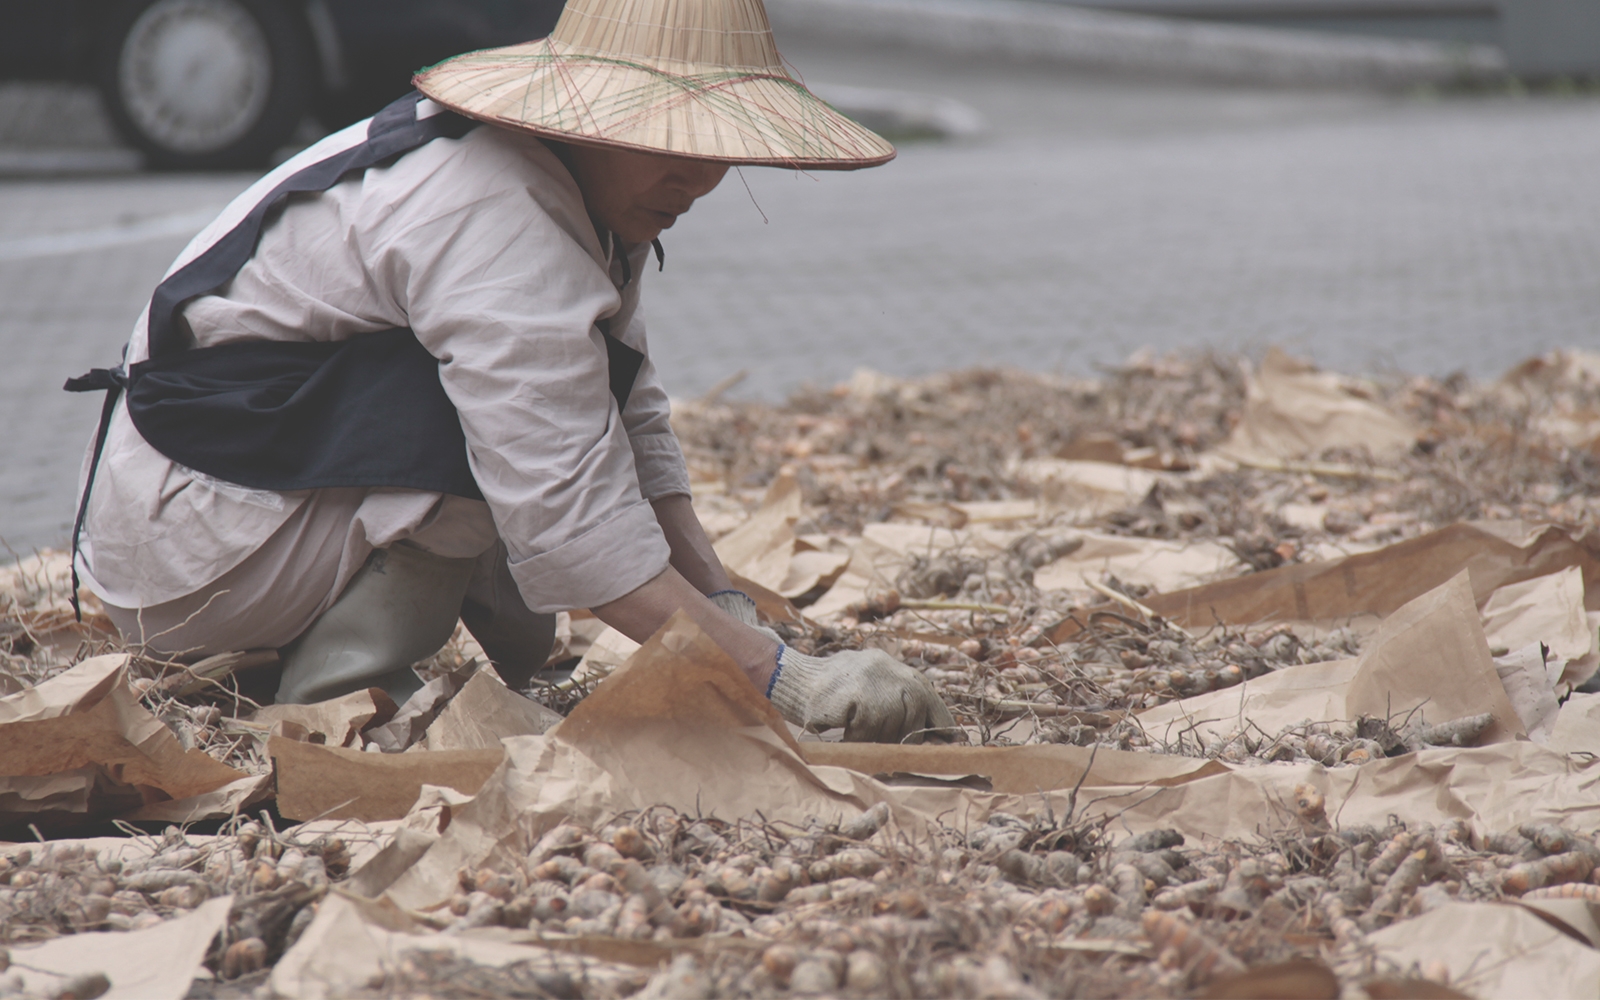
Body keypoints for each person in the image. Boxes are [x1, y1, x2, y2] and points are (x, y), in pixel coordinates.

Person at [67, 0, 956, 745]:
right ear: (589, 118)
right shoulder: (497, 206)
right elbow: (567, 508)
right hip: (184, 546)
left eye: (715, 146)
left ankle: (341, 647)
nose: (694, 177)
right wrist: (781, 682)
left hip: (238, 490)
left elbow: (628, 410)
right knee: (488, 415)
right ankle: (349, 693)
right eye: (664, 140)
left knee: (548, 397)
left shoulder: (584, 189)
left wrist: (727, 607)